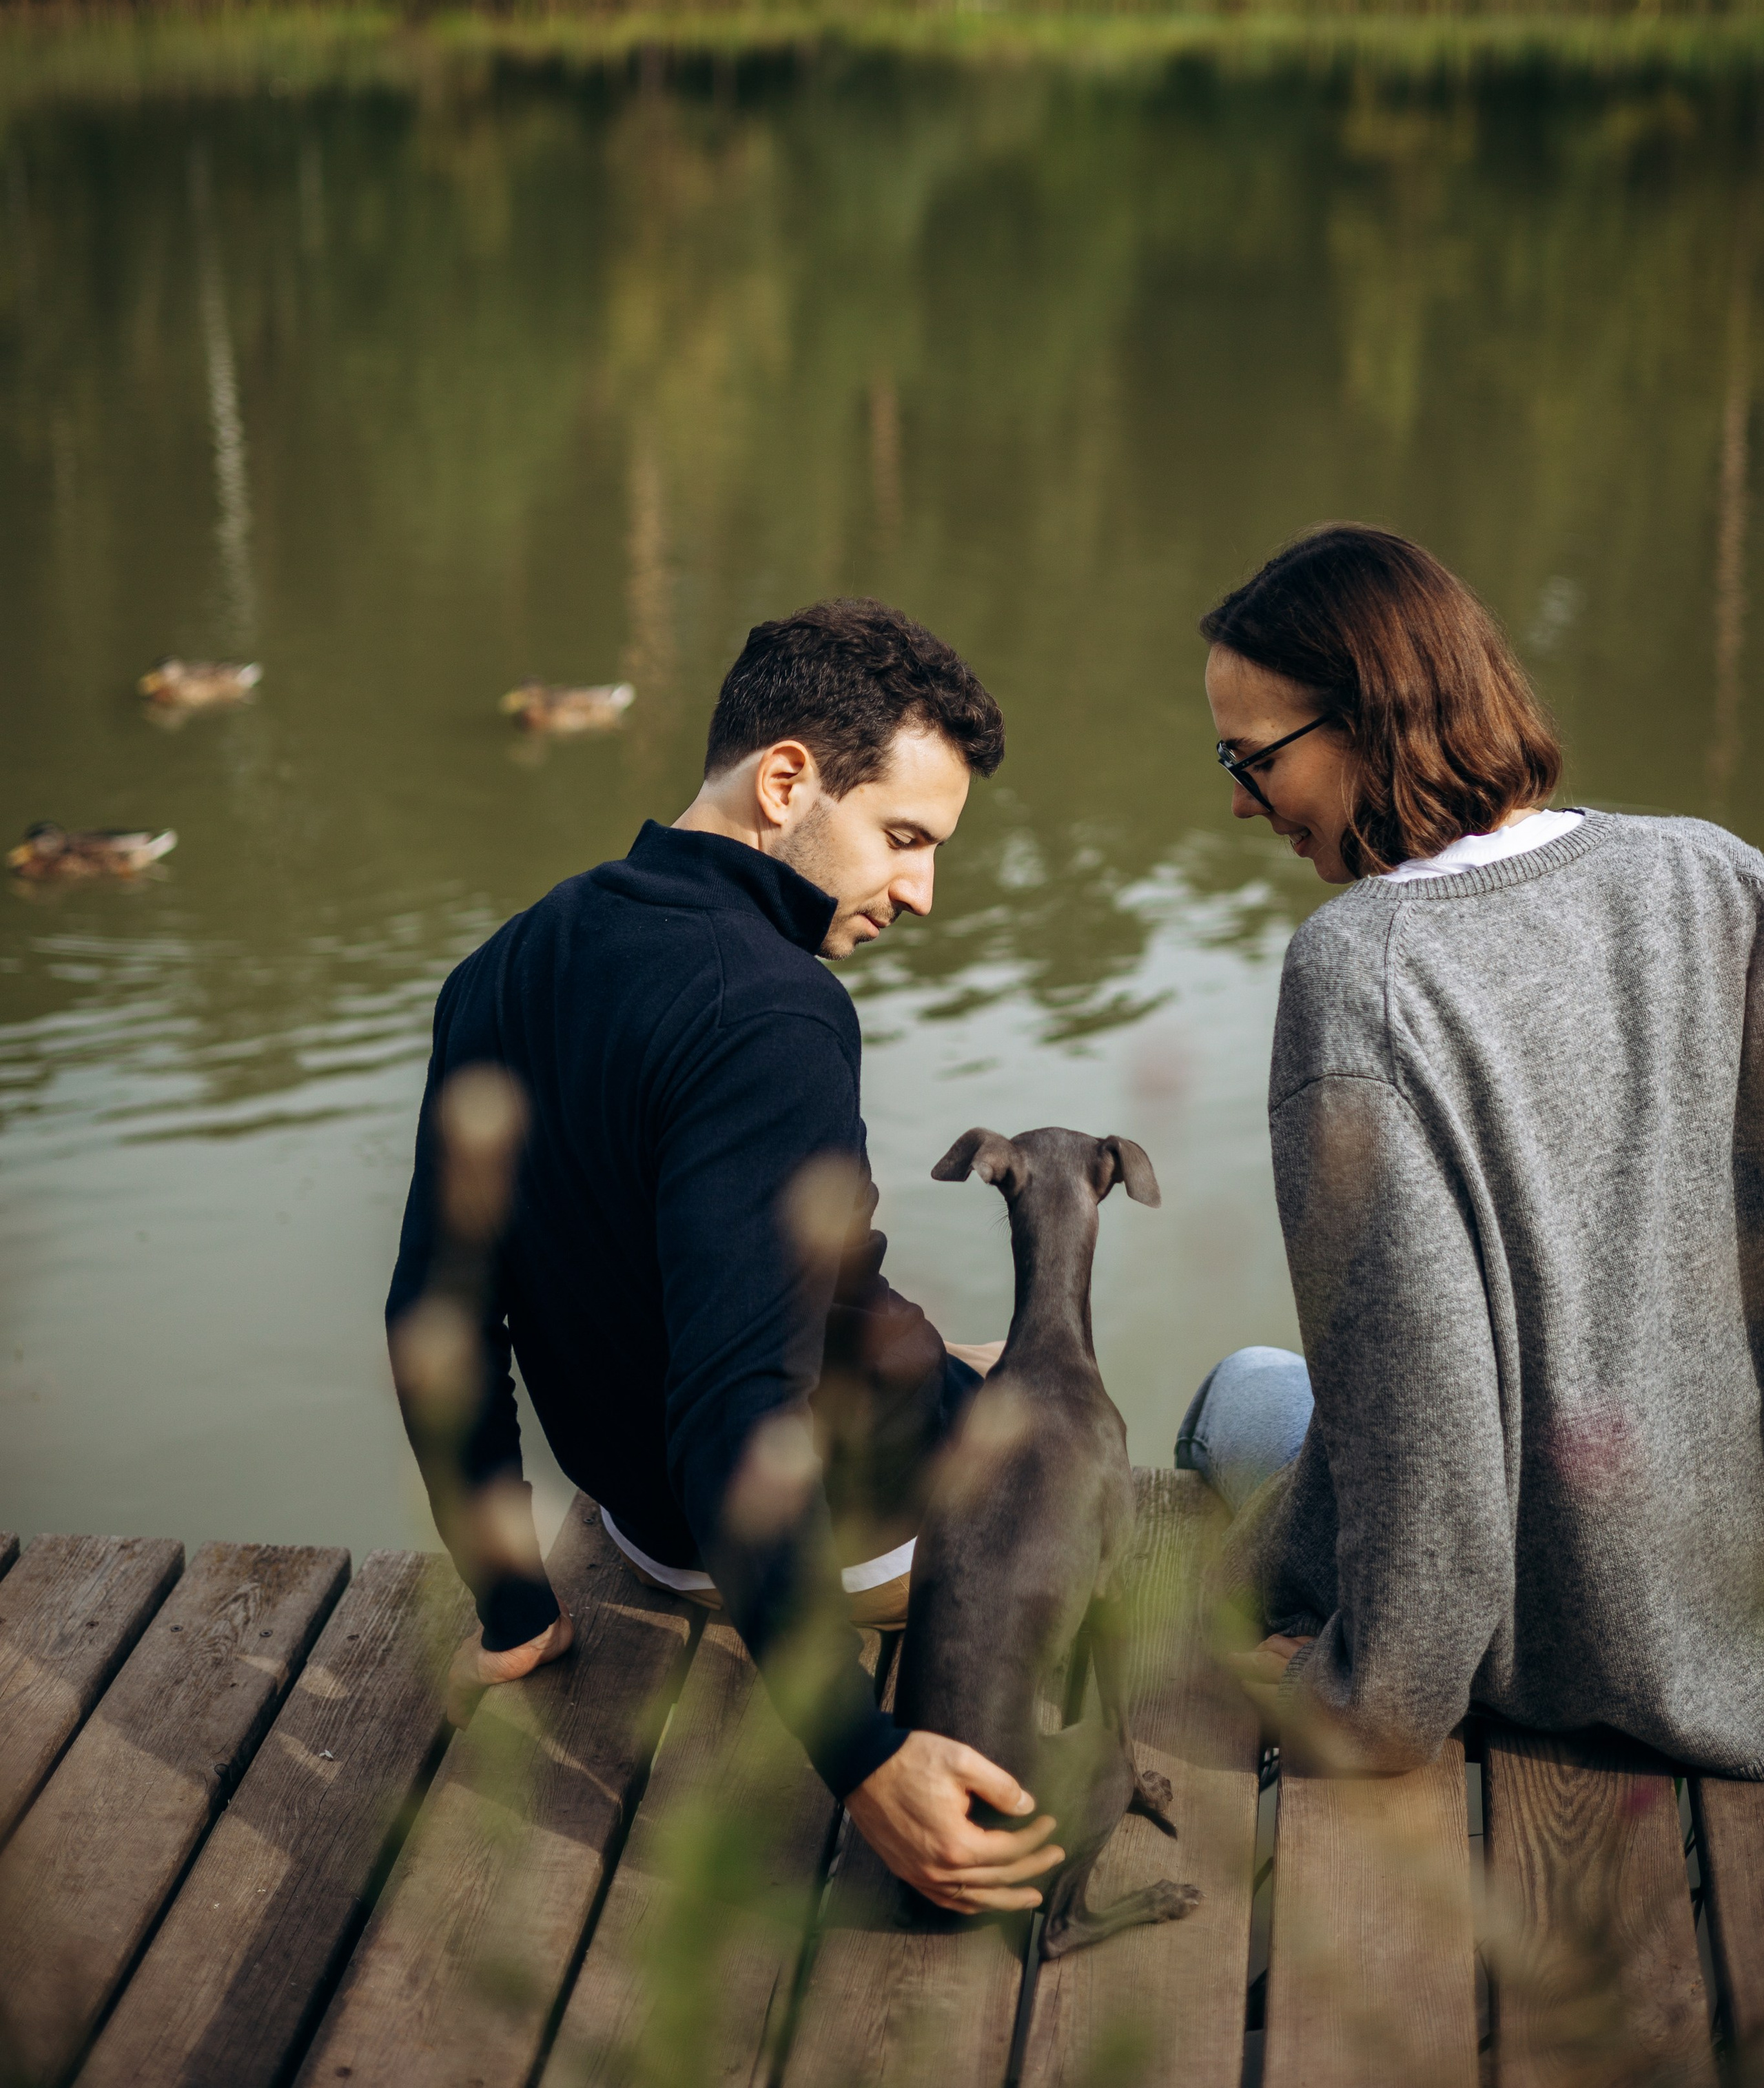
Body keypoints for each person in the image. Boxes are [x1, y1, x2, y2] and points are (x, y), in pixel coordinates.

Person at [387, 598, 1067, 1912]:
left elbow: (437, 1317)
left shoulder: (505, 965)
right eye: (905, 839)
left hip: (642, 1528)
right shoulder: (772, 1011)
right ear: (788, 781)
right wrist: (864, 1758)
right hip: (837, 1539)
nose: (922, 893)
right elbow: (735, 1423)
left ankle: (950, 1367)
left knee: (949, 1346)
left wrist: (512, 1602)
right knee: (1074, 1420)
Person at [1182, 522, 1764, 1777]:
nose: (1236, 799)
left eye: (1253, 757)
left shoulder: (1359, 974)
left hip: (1574, 1628)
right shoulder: (1719, 874)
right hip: (1737, 1584)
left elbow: (1426, 1416)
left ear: (1372, 719)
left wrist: (1366, 1704)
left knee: (1235, 1391)